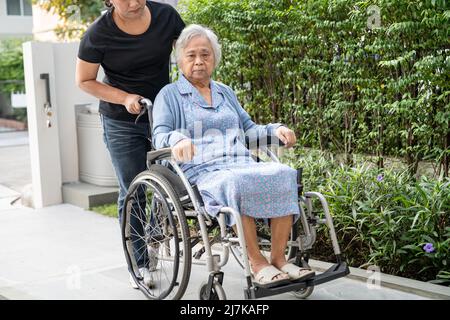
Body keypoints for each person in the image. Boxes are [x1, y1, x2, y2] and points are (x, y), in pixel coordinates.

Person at [152, 24, 315, 287]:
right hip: (202, 170)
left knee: (284, 173)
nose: (198, 62)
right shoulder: (169, 96)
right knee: (236, 183)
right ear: (180, 60)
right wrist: (177, 139)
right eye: (191, 55)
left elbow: (249, 131)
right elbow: (160, 134)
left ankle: (279, 258)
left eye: (205, 55)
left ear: (214, 58)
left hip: (240, 162)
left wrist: (276, 130)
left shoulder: (224, 91)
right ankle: (257, 262)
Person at [75, 0, 185, 289]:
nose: (134, 3)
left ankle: (151, 238)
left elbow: (187, 53)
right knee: (134, 189)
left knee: (168, 185)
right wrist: (124, 98)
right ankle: (139, 263)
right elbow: (84, 80)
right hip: (122, 121)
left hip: (164, 115)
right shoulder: (98, 33)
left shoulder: (166, 16)